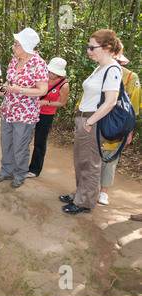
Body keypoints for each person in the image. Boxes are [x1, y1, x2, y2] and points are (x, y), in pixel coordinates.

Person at [59, 29, 123, 214]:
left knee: (90, 162)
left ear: (107, 47)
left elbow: (110, 101)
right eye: (89, 47)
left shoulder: (112, 69)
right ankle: (79, 193)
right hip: (84, 117)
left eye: (92, 47)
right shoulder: (99, 67)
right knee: (80, 160)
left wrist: (90, 122)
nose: (89, 51)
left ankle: (85, 202)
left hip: (93, 120)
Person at [0, 27, 48, 187]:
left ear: (25, 46)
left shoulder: (38, 64)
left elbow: (42, 90)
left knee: (20, 146)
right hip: (8, 110)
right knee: (6, 143)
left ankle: (19, 174)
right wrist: (3, 88)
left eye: (16, 44)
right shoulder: (14, 61)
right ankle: (6, 171)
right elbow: (10, 82)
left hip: (25, 114)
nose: (13, 46)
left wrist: (20, 90)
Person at [98, 46, 140, 205]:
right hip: (97, 120)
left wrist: (129, 131)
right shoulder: (99, 72)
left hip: (117, 124)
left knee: (110, 157)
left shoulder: (130, 77)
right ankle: (88, 189)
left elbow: (133, 108)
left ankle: (104, 192)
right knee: (93, 155)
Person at [27, 57, 69, 178]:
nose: (50, 74)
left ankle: (34, 169)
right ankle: (20, 165)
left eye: (53, 73)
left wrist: (46, 103)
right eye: (49, 71)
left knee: (40, 142)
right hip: (30, 111)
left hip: (46, 115)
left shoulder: (63, 84)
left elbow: (62, 102)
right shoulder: (41, 76)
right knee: (24, 138)